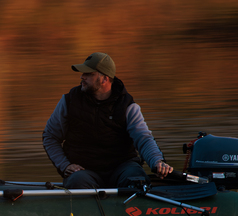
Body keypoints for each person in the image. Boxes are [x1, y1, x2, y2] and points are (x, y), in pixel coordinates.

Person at [42, 52, 173, 189]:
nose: (82, 77)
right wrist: (65, 165)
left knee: (137, 180)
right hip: (84, 171)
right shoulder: (69, 101)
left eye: (88, 74)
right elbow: (50, 137)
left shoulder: (127, 106)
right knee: (77, 182)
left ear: (104, 79)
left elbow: (143, 138)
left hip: (122, 168)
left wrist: (157, 161)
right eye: (83, 73)